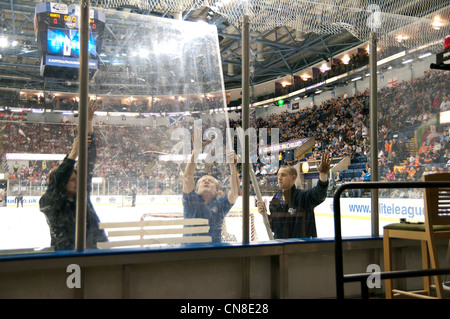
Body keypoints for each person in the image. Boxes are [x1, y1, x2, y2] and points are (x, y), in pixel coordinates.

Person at [39, 100, 107, 251]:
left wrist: (88, 124)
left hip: (96, 253)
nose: (76, 182)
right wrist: (72, 155)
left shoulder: (80, 197)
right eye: (71, 180)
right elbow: (57, 183)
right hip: (68, 257)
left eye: (76, 178)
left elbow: (89, 162)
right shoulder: (50, 203)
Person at [256, 151, 331, 239]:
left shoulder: (303, 197)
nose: (279, 178)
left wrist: (323, 175)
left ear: (293, 178)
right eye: (278, 175)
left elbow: (319, 194)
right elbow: (275, 228)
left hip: (300, 249)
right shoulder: (275, 201)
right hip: (280, 248)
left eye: (283, 175)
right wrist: (264, 214)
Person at [182, 139, 239, 243]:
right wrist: (196, 151)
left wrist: (232, 166)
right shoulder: (191, 200)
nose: (206, 181)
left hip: (213, 253)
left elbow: (235, 193)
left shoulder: (221, 204)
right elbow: (187, 177)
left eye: (211, 181)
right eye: (203, 181)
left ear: (217, 190)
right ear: (196, 189)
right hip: (188, 252)